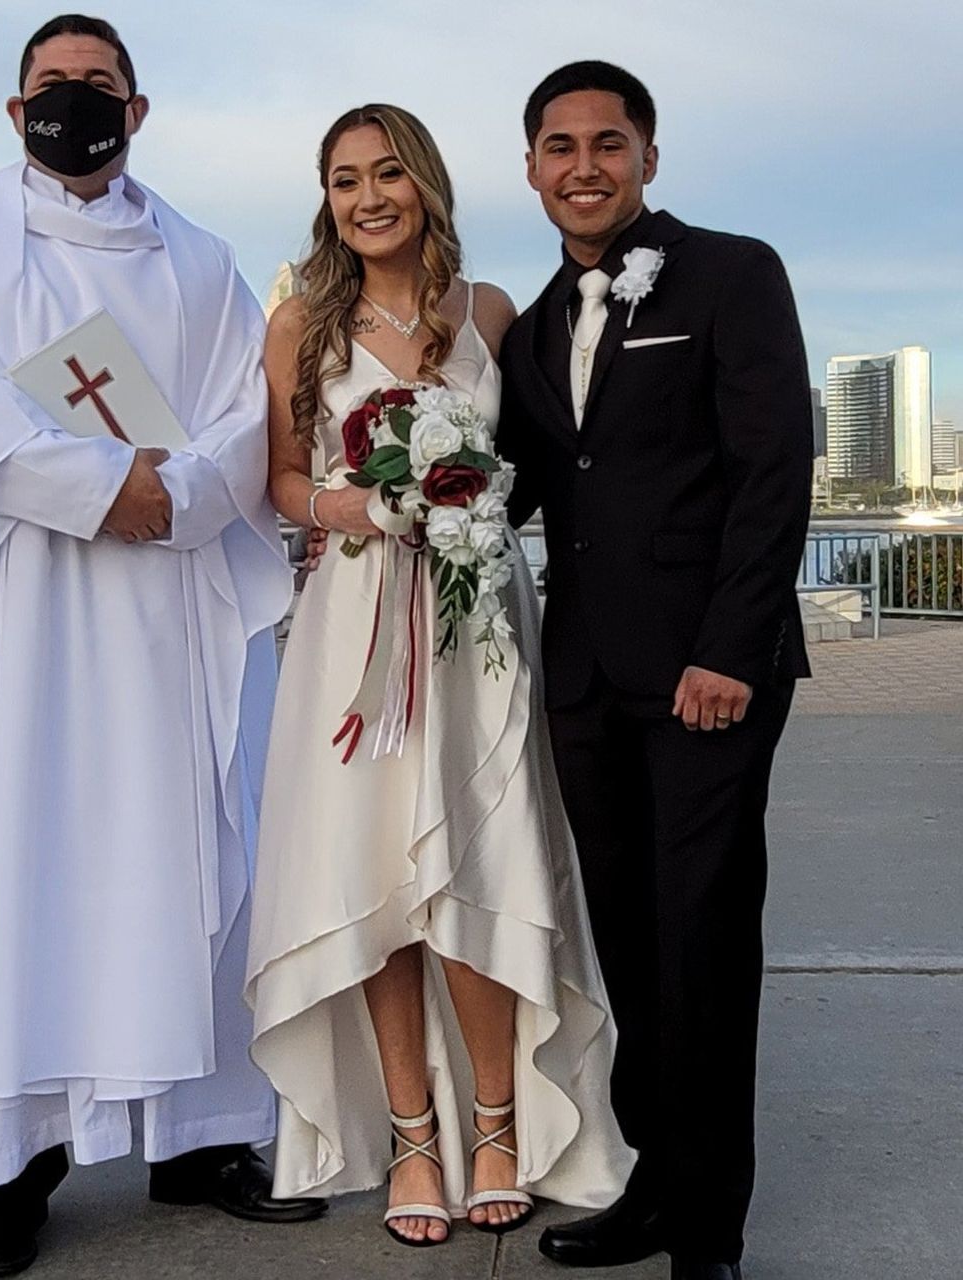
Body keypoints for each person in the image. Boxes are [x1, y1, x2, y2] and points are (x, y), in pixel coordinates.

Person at [0, 15, 323, 1278]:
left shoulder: (200, 260)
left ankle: (200, 1137)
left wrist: (187, 496)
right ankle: (12, 1166)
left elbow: (239, 422)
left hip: (163, 618)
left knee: (185, 852)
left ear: (137, 111)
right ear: (13, 111)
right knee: (17, 863)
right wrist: (108, 487)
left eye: (98, 87)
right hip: (16, 616)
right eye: (52, 87)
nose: (74, 104)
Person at [244, 103, 634, 1250]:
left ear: (424, 183)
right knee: (380, 875)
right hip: (354, 624)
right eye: (342, 178)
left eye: (386, 174)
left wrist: (468, 505)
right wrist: (359, 503)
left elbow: (542, 465)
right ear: (325, 197)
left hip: (479, 625)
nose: (366, 197)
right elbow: (275, 478)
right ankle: (413, 1135)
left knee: (475, 859)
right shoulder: (298, 324)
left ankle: (501, 1122)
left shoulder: (493, 314)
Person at [495, 61, 813, 1280]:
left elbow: (770, 472)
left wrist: (726, 652)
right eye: (559, 146)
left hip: (702, 684)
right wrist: (388, 506)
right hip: (582, 682)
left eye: (607, 143)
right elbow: (521, 487)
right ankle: (654, 1184)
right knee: (627, 941)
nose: (583, 166)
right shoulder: (530, 325)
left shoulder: (733, 273)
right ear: (529, 167)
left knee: (703, 944)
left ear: (646, 156)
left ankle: (709, 1235)